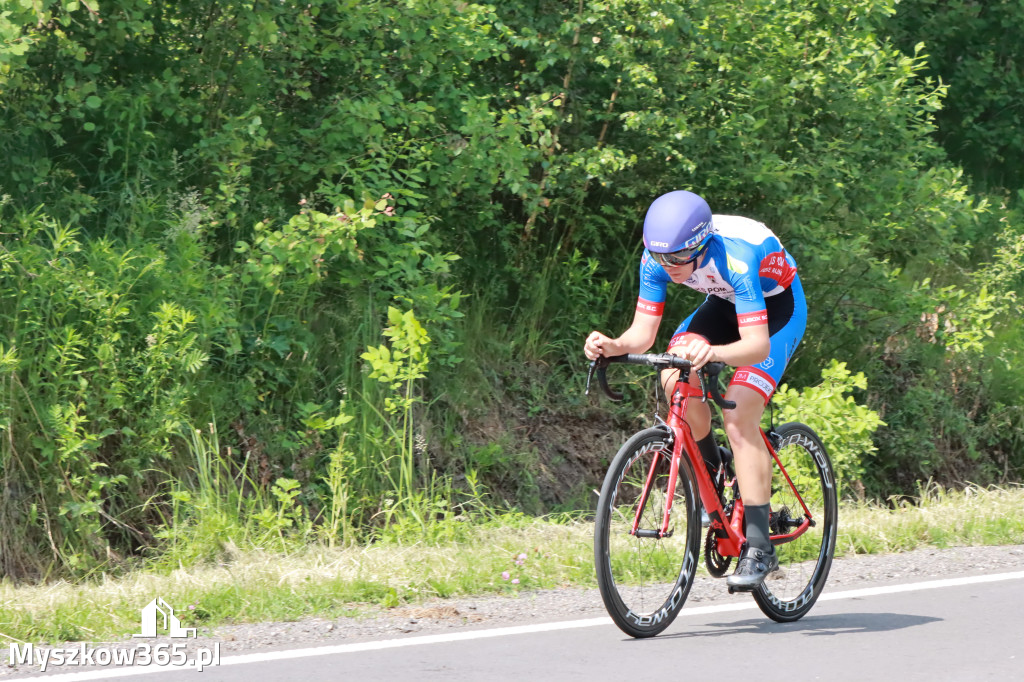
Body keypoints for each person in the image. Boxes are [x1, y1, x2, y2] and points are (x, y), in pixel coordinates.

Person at [583, 190, 807, 590]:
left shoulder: (735, 256)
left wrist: (713, 352)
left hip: (776, 310)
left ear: (701, 245)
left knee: (739, 417)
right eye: (660, 258)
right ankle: (715, 468)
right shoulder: (659, 257)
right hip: (724, 304)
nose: (668, 267)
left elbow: (756, 346)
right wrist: (613, 346)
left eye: (677, 259)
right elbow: (643, 334)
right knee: (673, 376)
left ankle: (759, 545)